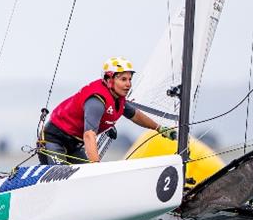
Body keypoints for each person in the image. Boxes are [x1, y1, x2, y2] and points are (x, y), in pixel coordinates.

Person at [38, 57, 177, 164]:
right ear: (109, 80)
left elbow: (135, 115)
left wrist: (159, 128)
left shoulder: (118, 98)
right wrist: (96, 166)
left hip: (74, 145)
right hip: (54, 139)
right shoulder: (97, 101)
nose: (128, 84)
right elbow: (89, 135)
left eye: (129, 79)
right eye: (123, 79)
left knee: (86, 177)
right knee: (62, 175)